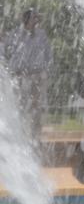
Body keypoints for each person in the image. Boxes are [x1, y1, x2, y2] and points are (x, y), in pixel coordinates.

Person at [2, 9, 52, 137]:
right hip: (19, 75)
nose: (37, 21)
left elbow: (48, 54)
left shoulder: (41, 35)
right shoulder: (16, 34)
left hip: (36, 76)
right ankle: (20, 132)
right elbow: (4, 48)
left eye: (37, 18)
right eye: (34, 18)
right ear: (27, 20)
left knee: (37, 106)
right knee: (20, 104)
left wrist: (45, 71)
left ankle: (36, 133)